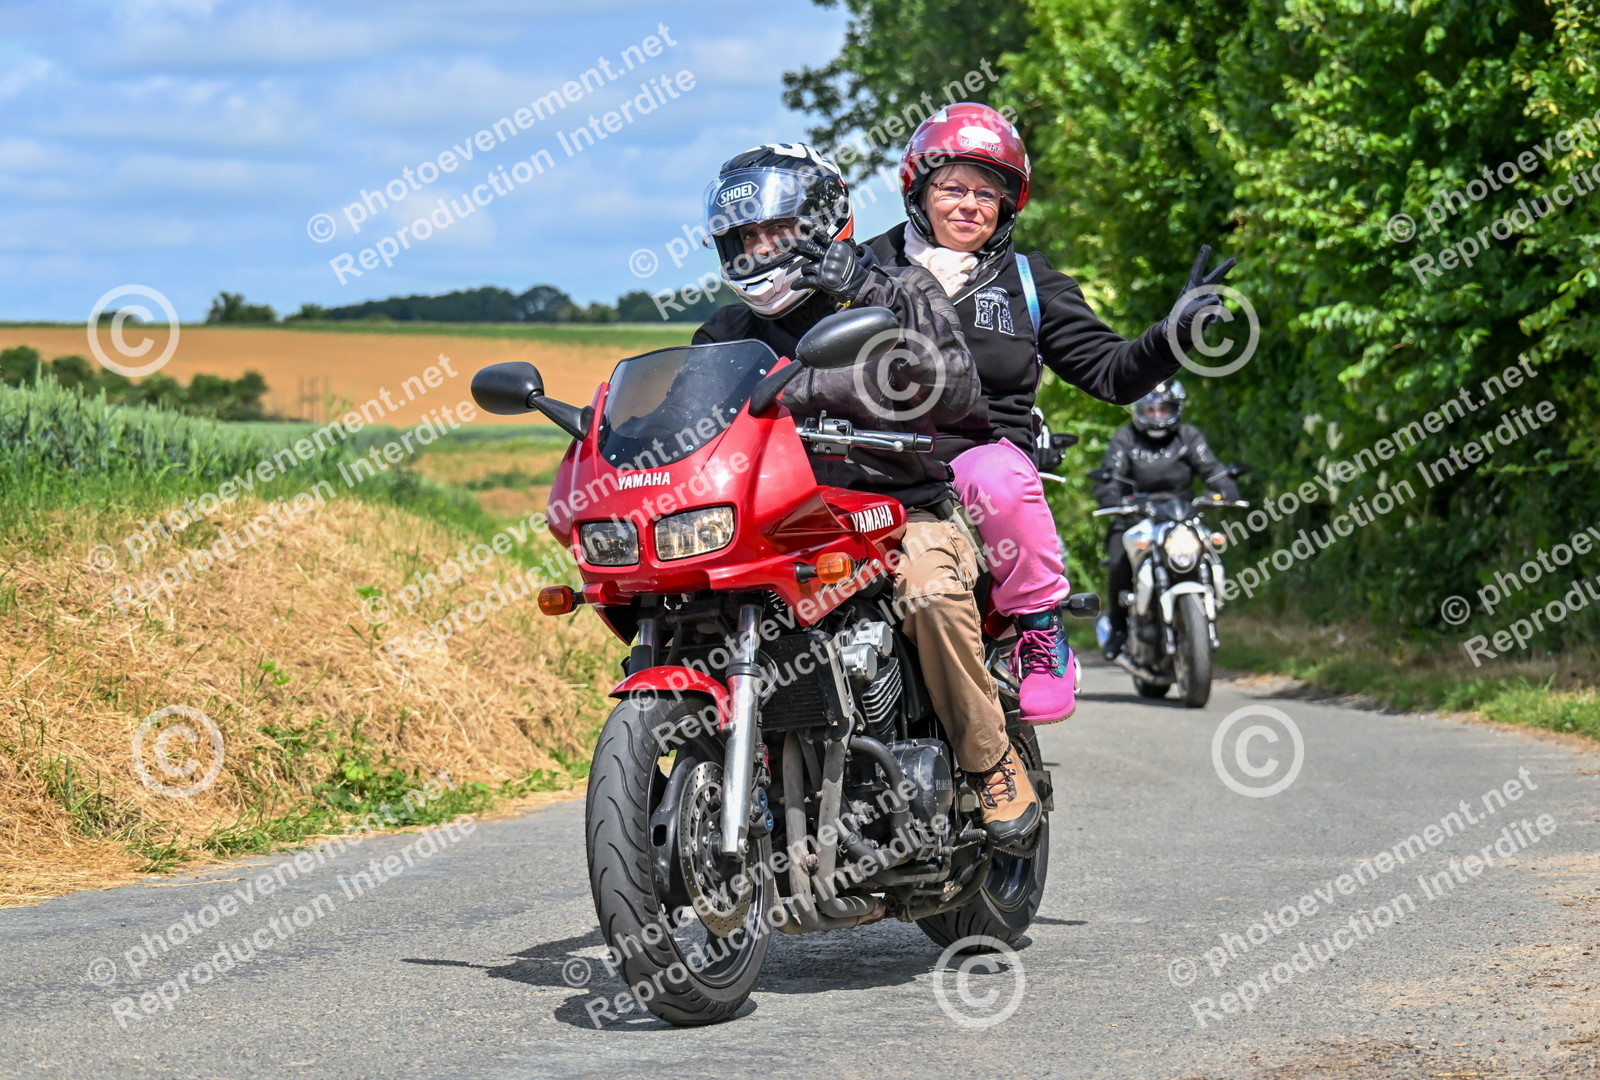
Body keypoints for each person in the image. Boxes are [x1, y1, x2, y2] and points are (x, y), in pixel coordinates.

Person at [691, 143, 1040, 846]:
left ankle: (989, 762)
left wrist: (866, 291)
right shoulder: (727, 332)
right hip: (781, 521)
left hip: (901, 510)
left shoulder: (901, 285)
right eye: (747, 238)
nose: (761, 250)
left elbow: (956, 387)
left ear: (822, 225)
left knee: (930, 592)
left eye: (778, 232)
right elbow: (693, 419)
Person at [865, 102, 1236, 724]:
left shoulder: (1031, 284)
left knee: (1000, 478)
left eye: (988, 193)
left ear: (1008, 205)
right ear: (919, 190)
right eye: (952, 188)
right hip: (867, 463)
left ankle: (1040, 632)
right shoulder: (862, 268)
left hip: (973, 463)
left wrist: (1173, 335)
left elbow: (1112, 373)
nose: (970, 205)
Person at [1092, 379, 1240, 660]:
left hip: (1180, 517)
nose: (1158, 415)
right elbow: (1110, 473)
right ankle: (1119, 629)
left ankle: (1203, 614)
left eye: (1164, 409)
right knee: (1119, 561)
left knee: (1208, 549)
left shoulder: (1187, 436)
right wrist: (1110, 497)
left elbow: (1212, 468)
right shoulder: (1126, 438)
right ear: (1140, 410)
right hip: (1136, 517)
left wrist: (1227, 489)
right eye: (1151, 409)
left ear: (1176, 408)